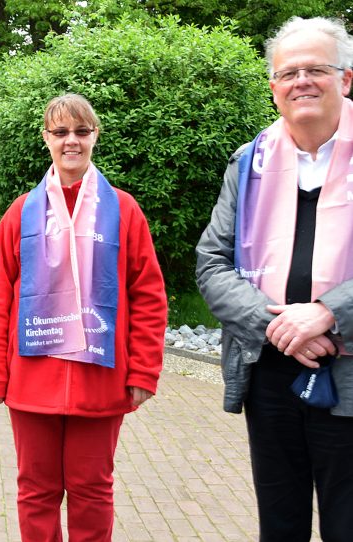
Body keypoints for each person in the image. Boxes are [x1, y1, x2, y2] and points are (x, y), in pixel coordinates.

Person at [0, 93, 167, 541]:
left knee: (92, 489)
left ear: (95, 136)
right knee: (36, 489)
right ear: (46, 139)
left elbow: (148, 295)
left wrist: (143, 370)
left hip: (100, 378)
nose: (71, 142)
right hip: (31, 378)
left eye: (81, 131)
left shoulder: (124, 209)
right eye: (61, 132)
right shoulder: (21, 211)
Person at [195, 16, 353, 542]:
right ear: (274, 88)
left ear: (346, 78)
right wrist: (278, 327)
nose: (301, 81)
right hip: (270, 372)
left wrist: (329, 312)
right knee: (279, 523)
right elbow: (211, 262)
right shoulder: (249, 163)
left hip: (350, 375)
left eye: (316, 69)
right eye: (289, 73)